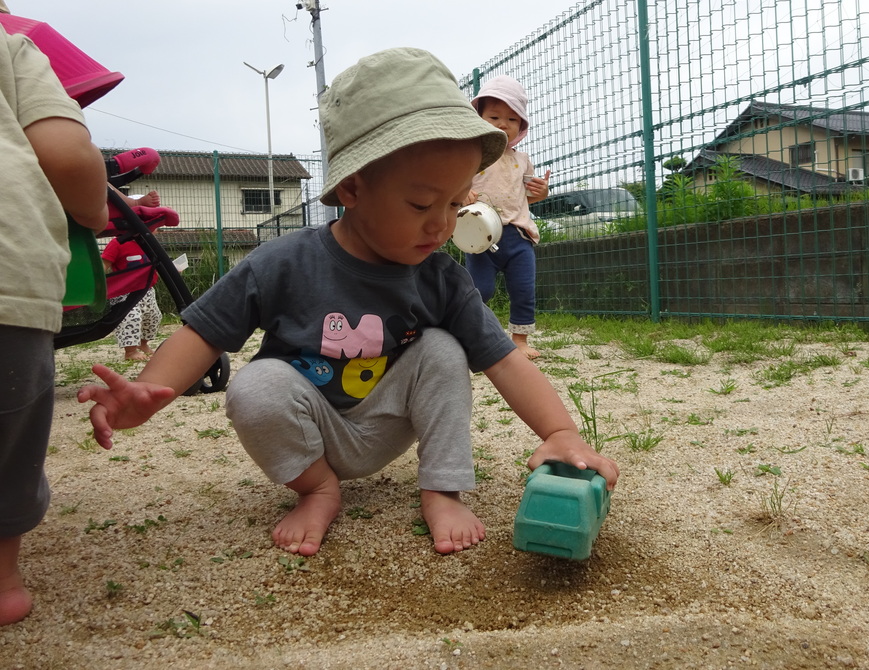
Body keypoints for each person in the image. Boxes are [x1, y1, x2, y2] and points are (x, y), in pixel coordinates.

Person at [77, 47, 619, 559]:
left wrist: (560, 432)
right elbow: (203, 333)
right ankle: (317, 489)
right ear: (354, 189)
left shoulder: (441, 277)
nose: (442, 224)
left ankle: (443, 489)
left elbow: (504, 359)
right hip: (307, 428)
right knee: (255, 385)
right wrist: (151, 389)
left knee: (442, 348)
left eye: (456, 204)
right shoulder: (284, 263)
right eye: (422, 203)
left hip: (387, 419)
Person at [0, 25, 109, 625]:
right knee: (8, 435)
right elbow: (66, 154)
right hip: (6, 275)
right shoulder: (11, 46)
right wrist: (93, 209)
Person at [464, 76, 550, 360]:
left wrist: (542, 192)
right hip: (480, 234)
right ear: (478, 117)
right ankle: (475, 335)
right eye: (494, 116)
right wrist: (462, 192)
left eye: (512, 119)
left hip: (518, 235)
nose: (503, 124)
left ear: (521, 126)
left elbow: (526, 197)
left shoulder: (522, 159)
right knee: (480, 290)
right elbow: (455, 187)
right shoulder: (471, 155)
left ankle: (520, 340)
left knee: (523, 289)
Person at [101, 234, 163, 360]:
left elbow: (156, 264)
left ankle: (142, 344)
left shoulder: (149, 243)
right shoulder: (117, 243)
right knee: (131, 317)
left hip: (146, 289)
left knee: (153, 317)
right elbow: (104, 265)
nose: (156, 229)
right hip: (124, 290)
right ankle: (130, 351)